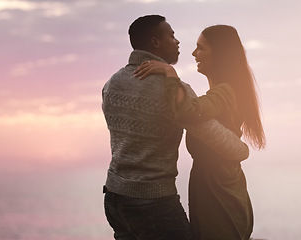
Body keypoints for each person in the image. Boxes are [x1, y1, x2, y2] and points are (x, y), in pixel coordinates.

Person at [102, 16, 250, 240]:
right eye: (171, 35)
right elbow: (221, 141)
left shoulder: (112, 83)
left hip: (114, 198)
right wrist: (242, 150)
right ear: (155, 42)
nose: (178, 42)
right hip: (153, 201)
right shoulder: (173, 90)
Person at [134, 25, 266, 240]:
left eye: (200, 48)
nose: (194, 54)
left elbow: (188, 111)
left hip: (218, 192)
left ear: (219, 54)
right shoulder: (224, 92)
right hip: (218, 187)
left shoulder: (224, 92)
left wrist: (170, 73)